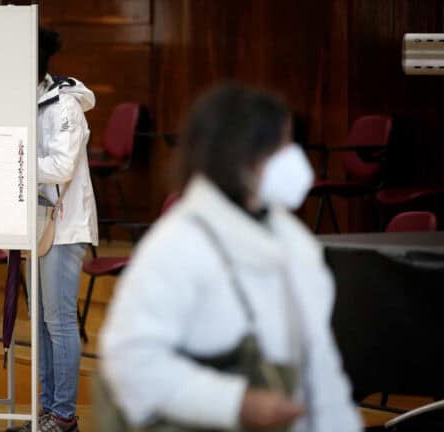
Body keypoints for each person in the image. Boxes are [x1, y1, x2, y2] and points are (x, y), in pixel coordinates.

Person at [98, 84, 362, 431]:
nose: (294, 158)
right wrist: (236, 403)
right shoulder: (176, 244)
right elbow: (130, 361)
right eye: (281, 146)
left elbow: (320, 368)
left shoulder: (294, 242)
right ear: (241, 154)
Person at [8, 28, 98, 432]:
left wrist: (12, 161)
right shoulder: (27, 101)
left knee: (59, 323)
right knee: (42, 322)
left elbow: (62, 167)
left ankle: (63, 417)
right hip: (39, 227)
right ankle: (47, 411)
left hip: (65, 228)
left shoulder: (65, 104)